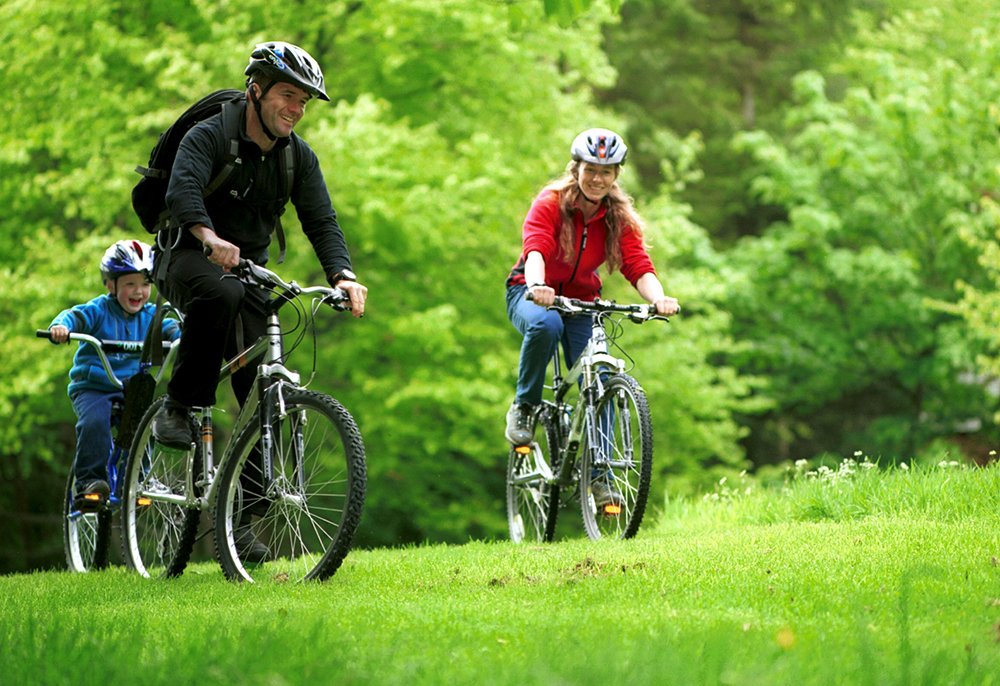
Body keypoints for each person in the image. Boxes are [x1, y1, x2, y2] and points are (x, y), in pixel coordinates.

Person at [149, 42, 367, 559]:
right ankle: (180, 406)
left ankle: (242, 520)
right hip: (186, 253)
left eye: (303, 102)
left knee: (260, 393)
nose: (295, 108)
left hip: (248, 270)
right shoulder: (210, 136)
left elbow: (321, 220)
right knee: (220, 293)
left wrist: (344, 275)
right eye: (287, 96)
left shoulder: (297, 158)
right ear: (257, 90)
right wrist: (208, 236)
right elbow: (182, 194)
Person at [503, 128, 680, 504]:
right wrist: (537, 286)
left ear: (616, 175)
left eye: (607, 171)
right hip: (530, 292)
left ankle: (600, 478)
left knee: (601, 374)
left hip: (584, 302)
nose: (597, 178)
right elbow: (536, 248)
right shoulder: (550, 203)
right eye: (590, 169)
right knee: (545, 324)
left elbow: (637, 264)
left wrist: (660, 298)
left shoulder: (617, 216)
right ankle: (525, 406)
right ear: (576, 168)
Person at [48, 240, 181, 511]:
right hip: (94, 386)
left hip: (131, 387)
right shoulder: (99, 311)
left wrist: (183, 335)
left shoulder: (151, 315)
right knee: (95, 423)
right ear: (111, 284)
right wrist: (61, 327)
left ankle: (135, 482)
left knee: (143, 428)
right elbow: (73, 316)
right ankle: (88, 482)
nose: (139, 292)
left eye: (145, 284)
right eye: (130, 284)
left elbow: (170, 327)